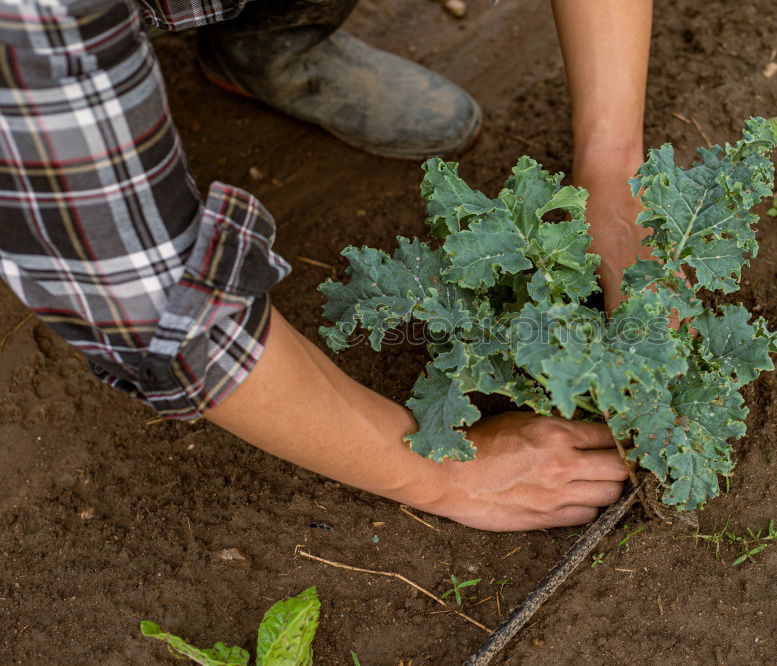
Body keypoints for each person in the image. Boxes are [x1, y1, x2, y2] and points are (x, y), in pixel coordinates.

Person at [0, 0, 653, 531]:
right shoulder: (36, 27)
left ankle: (271, 40)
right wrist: (442, 473)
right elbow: (160, 309)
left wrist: (613, 165)